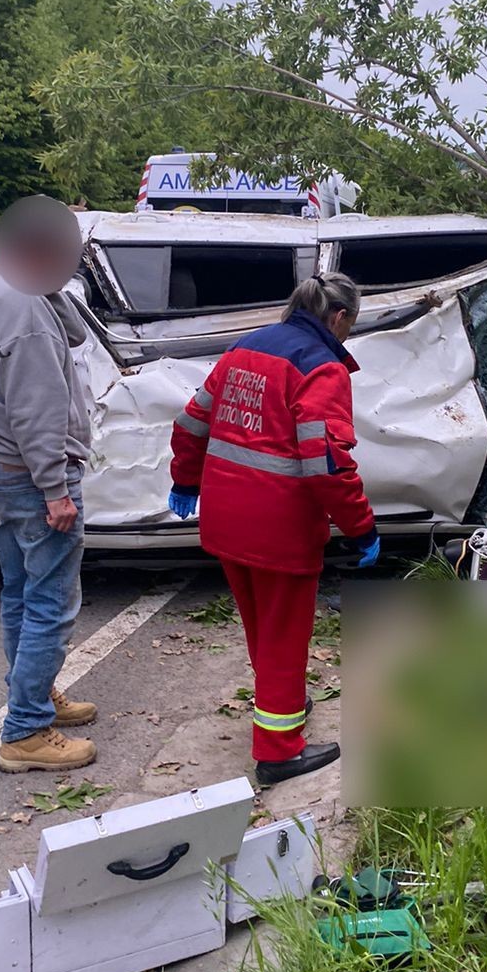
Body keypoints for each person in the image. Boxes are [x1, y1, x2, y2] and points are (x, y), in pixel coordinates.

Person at [169, 271, 379, 785]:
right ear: (338, 317)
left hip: (226, 519)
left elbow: (191, 421)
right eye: (352, 322)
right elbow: (324, 462)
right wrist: (362, 526)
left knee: (262, 627)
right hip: (280, 528)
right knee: (285, 634)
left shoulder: (247, 348)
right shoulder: (323, 368)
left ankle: (281, 702)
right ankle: (279, 750)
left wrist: (186, 479)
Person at [0, 196, 98, 774]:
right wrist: (55, 491)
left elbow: (78, 336)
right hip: (36, 476)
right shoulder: (26, 313)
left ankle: (35, 698)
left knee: (19, 593)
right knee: (51, 603)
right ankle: (26, 732)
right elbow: (37, 409)